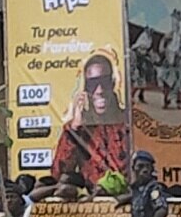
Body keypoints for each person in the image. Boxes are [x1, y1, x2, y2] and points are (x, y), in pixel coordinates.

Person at [49, 50, 130, 188]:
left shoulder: (127, 122)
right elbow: (58, 173)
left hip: (126, 198)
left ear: (112, 84)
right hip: (92, 200)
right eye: (93, 84)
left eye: (104, 82)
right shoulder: (77, 129)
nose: (99, 90)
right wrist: (75, 128)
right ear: (86, 89)